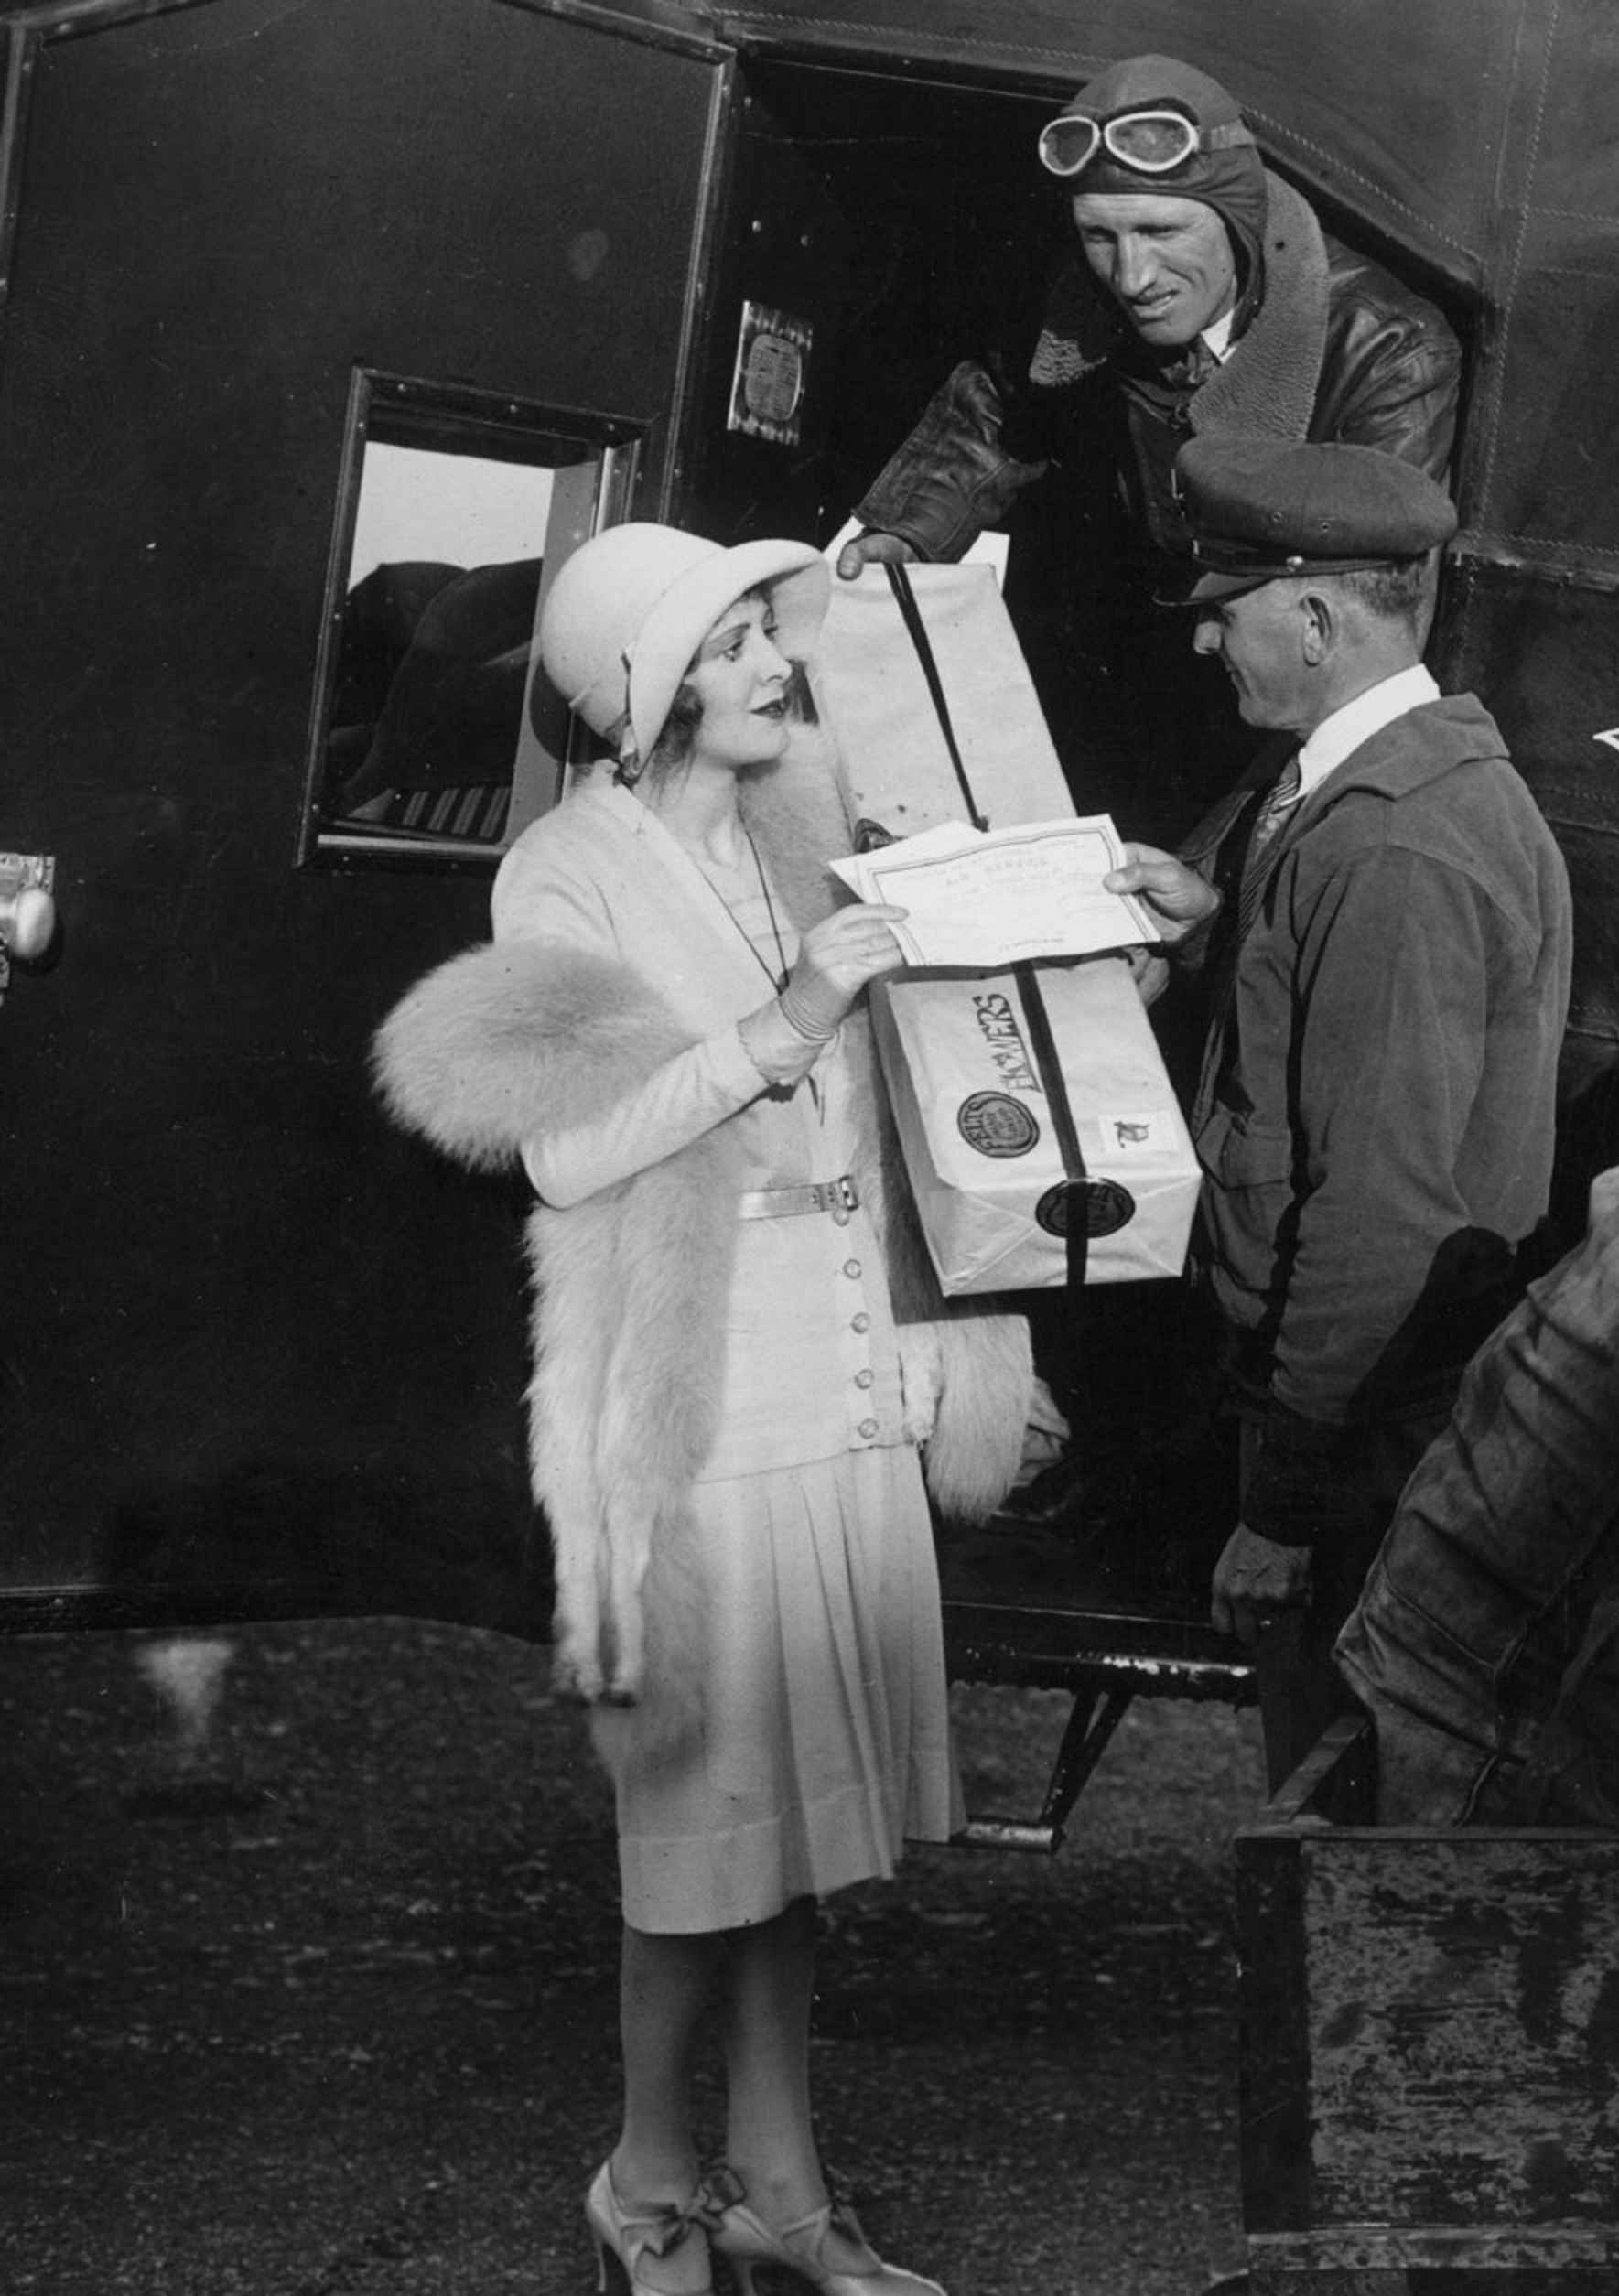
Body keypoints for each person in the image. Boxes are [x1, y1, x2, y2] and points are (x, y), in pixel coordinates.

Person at [373, 523, 1038, 2296]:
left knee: (794, 1832)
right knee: (695, 1838)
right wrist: (787, 1016)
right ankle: (649, 2179)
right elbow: (568, 1152)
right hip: (696, 1398)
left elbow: (924, 1091)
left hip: (840, 1364)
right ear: (646, 687)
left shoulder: (805, 833)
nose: (774, 662)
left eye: (769, 631)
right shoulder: (565, 873)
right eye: (736, 640)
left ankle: (782, 2192)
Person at [1103, 439, 1571, 1773]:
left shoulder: (1393, 846)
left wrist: (1286, 1509)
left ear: (1316, 620)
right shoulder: (1399, 787)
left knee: (1334, 1805)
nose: (1206, 641)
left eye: (1226, 609)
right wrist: (1221, 923)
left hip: (1361, 1447)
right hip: (1380, 1418)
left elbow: (1381, 1209)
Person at [836, 53, 1463, 840]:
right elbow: (999, 400)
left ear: (1239, 220)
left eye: (1162, 231)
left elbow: (1371, 629)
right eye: (1099, 236)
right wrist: (909, 533)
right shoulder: (1082, 299)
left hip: (1282, 695)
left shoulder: (1389, 349)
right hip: (1137, 678)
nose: (1131, 276)